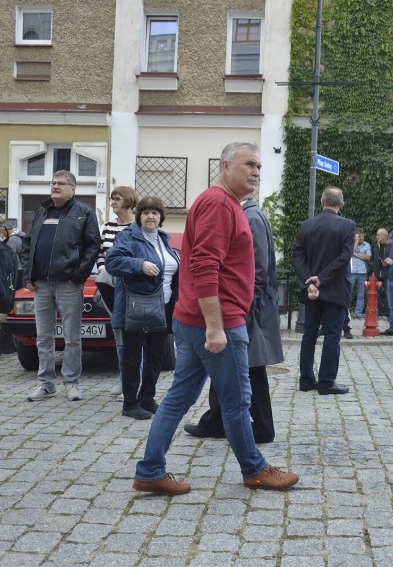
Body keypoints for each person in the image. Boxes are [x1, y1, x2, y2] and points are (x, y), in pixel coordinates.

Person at [133, 142, 298, 496]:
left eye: (259, 166)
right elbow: (206, 267)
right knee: (237, 401)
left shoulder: (224, 203)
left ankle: (149, 470)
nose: (256, 171)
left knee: (179, 397)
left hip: (198, 318)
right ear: (226, 166)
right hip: (217, 320)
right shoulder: (219, 204)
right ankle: (254, 469)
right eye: (249, 164)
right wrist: (215, 326)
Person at [183, 197, 282, 443]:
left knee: (252, 367)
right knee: (226, 361)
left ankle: (261, 427)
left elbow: (257, 269)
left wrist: (243, 305)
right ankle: (216, 421)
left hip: (246, 306)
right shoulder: (246, 213)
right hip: (243, 304)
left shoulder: (250, 216)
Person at [21, 170, 101, 402]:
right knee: (43, 336)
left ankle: (72, 382)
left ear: (73, 189)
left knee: (72, 336)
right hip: (41, 285)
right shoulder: (41, 211)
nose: (55, 186)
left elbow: (92, 247)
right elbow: (27, 245)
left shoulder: (83, 213)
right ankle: (46, 384)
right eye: (53, 183)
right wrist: (28, 275)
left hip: (68, 284)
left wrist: (77, 277)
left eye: (61, 183)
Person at [106, 196, 179, 420]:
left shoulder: (163, 238)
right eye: (146, 212)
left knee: (156, 355)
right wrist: (139, 264)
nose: (150, 216)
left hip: (163, 306)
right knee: (132, 355)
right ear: (139, 216)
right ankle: (130, 403)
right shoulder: (129, 236)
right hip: (136, 305)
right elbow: (112, 262)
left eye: (155, 213)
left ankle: (146, 397)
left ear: (161, 217)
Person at [292, 186, 357, 395]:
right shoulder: (348, 226)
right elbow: (345, 257)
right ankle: (326, 382)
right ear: (342, 203)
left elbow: (297, 258)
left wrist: (309, 282)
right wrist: (321, 279)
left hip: (311, 290)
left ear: (322, 202)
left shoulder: (306, 225)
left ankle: (305, 380)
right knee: (332, 336)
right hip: (336, 290)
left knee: (309, 335)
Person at [96, 185, 139, 398]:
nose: (112, 202)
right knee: (118, 331)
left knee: (132, 332)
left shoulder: (137, 227)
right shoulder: (108, 227)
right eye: (112, 198)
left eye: (117, 198)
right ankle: (124, 379)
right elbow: (101, 255)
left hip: (131, 286)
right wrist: (105, 271)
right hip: (109, 283)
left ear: (129, 201)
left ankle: (133, 380)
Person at [350, 228, 371, 319]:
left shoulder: (367, 245)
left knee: (361, 294)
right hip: (351, 271)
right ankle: (345, 312)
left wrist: (355, 255)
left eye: (362, 236)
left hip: (362, 272)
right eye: (359, 236)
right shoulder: (350, 243)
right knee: (348, 292)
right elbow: (349, 253)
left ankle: (358, 313)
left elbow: (368, 257)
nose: (361, 238)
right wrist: (355, 243)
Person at [372, 228, 390, 317]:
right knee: (376, 294)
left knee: (388, 294)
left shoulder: (391, 246)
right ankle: (376, 313)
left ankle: (388, 314)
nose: (376, 237)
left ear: (384, 236)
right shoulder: (376, 245)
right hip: (377, 274)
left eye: (378, 235)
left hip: (387, 274)